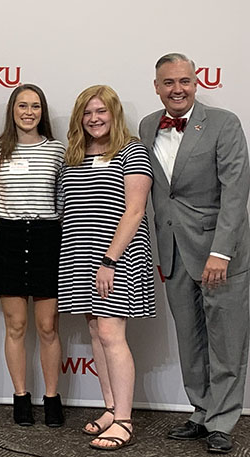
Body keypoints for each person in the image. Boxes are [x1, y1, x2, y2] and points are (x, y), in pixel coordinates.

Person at [139, 53, 250, 454]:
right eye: (168, 82)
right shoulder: (147, 126)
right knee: (190, 340)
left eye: (184, 81)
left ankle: (222, 421)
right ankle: (201, 412)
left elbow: (235, 192)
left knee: (226, 342)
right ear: (156, 87)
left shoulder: (224, 123)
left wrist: (221, 252)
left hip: (218, 253)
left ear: (196, 82)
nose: (177, 89)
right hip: (173, 251)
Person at [58, 85, 155, 451]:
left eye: (101, 111)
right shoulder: (74, 153)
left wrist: (110, 260)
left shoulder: (131, 150)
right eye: (87, 112)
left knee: (112, 334)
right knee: (97, 333)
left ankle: (125, 421)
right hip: (78, 256)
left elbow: (135, 210)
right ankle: (111, 409)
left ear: (114, 114)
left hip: (116, 257)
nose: (94, 118)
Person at [0, 84, 65, 427]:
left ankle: (52, 397)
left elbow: (63, 199)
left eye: (35, 106)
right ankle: (20, 397)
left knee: (48, 326)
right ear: (12, 110)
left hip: (47, 239)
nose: (29, 112)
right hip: (9, 239)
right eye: (22, 106)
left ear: (42, 112)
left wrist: (53, 232)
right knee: (15, 326)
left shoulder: (57, 150)